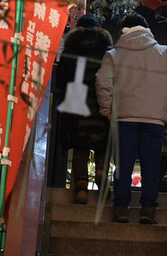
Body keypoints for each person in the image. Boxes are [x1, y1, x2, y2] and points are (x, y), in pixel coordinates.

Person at [96, 13, 167, 224]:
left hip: (123, 118)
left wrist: (107, 109)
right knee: (151, 165)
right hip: (154, 119)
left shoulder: (113, 54)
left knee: (123, 165)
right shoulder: (163, 52)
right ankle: (147, 209)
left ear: (124, 31)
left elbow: (102, 82)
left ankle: (121, 208)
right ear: (147, 29)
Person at [55, 15, 113, 204]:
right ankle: (101, 172)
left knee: (80, 145)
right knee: (103, 143)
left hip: (76, 103)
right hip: (100, 102)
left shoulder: (69, 50)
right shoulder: (108, 51)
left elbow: (60, 80)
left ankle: (81, 190)